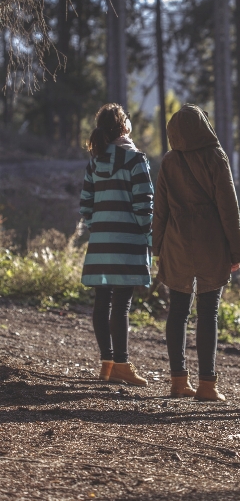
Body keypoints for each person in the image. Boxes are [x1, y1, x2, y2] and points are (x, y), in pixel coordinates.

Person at [153, 104, 240, 401]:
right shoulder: (215, 156)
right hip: (211, 243)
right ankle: (207, 385)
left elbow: (161, 208)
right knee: (208, 313)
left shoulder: (169, 160)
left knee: (177, 312)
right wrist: (236, 249)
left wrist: (157, 247)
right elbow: (228, 208)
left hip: (177, 242)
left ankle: (178, 381)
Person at [80, 103, 153, 386]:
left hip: (100, 244)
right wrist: (150, 240)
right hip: (128, 243)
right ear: (124, 126)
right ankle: (121, 364)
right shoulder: (135, 160)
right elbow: (144, 206)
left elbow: (85, 205)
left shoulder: (94, 161)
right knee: (121, 304)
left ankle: (107, 364)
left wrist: (98, 230)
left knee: (102, 301)